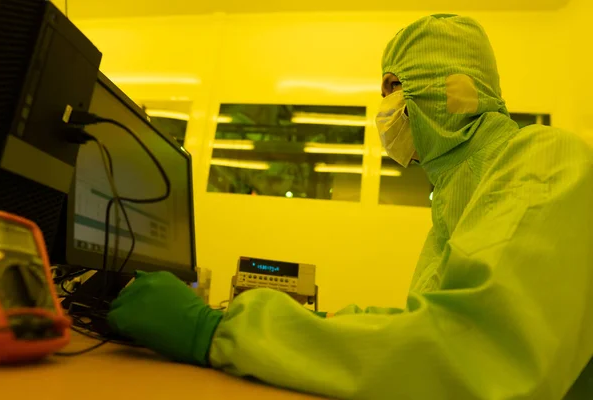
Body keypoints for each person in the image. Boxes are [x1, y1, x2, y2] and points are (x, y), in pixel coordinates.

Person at [107, 14, 593, 399]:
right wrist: (320, 326)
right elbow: (416, 326)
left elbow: (467, 352)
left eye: (392, 87)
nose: (384, 108)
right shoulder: (457, 198)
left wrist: (218, 331)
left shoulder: (544, 162)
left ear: (450, 87)